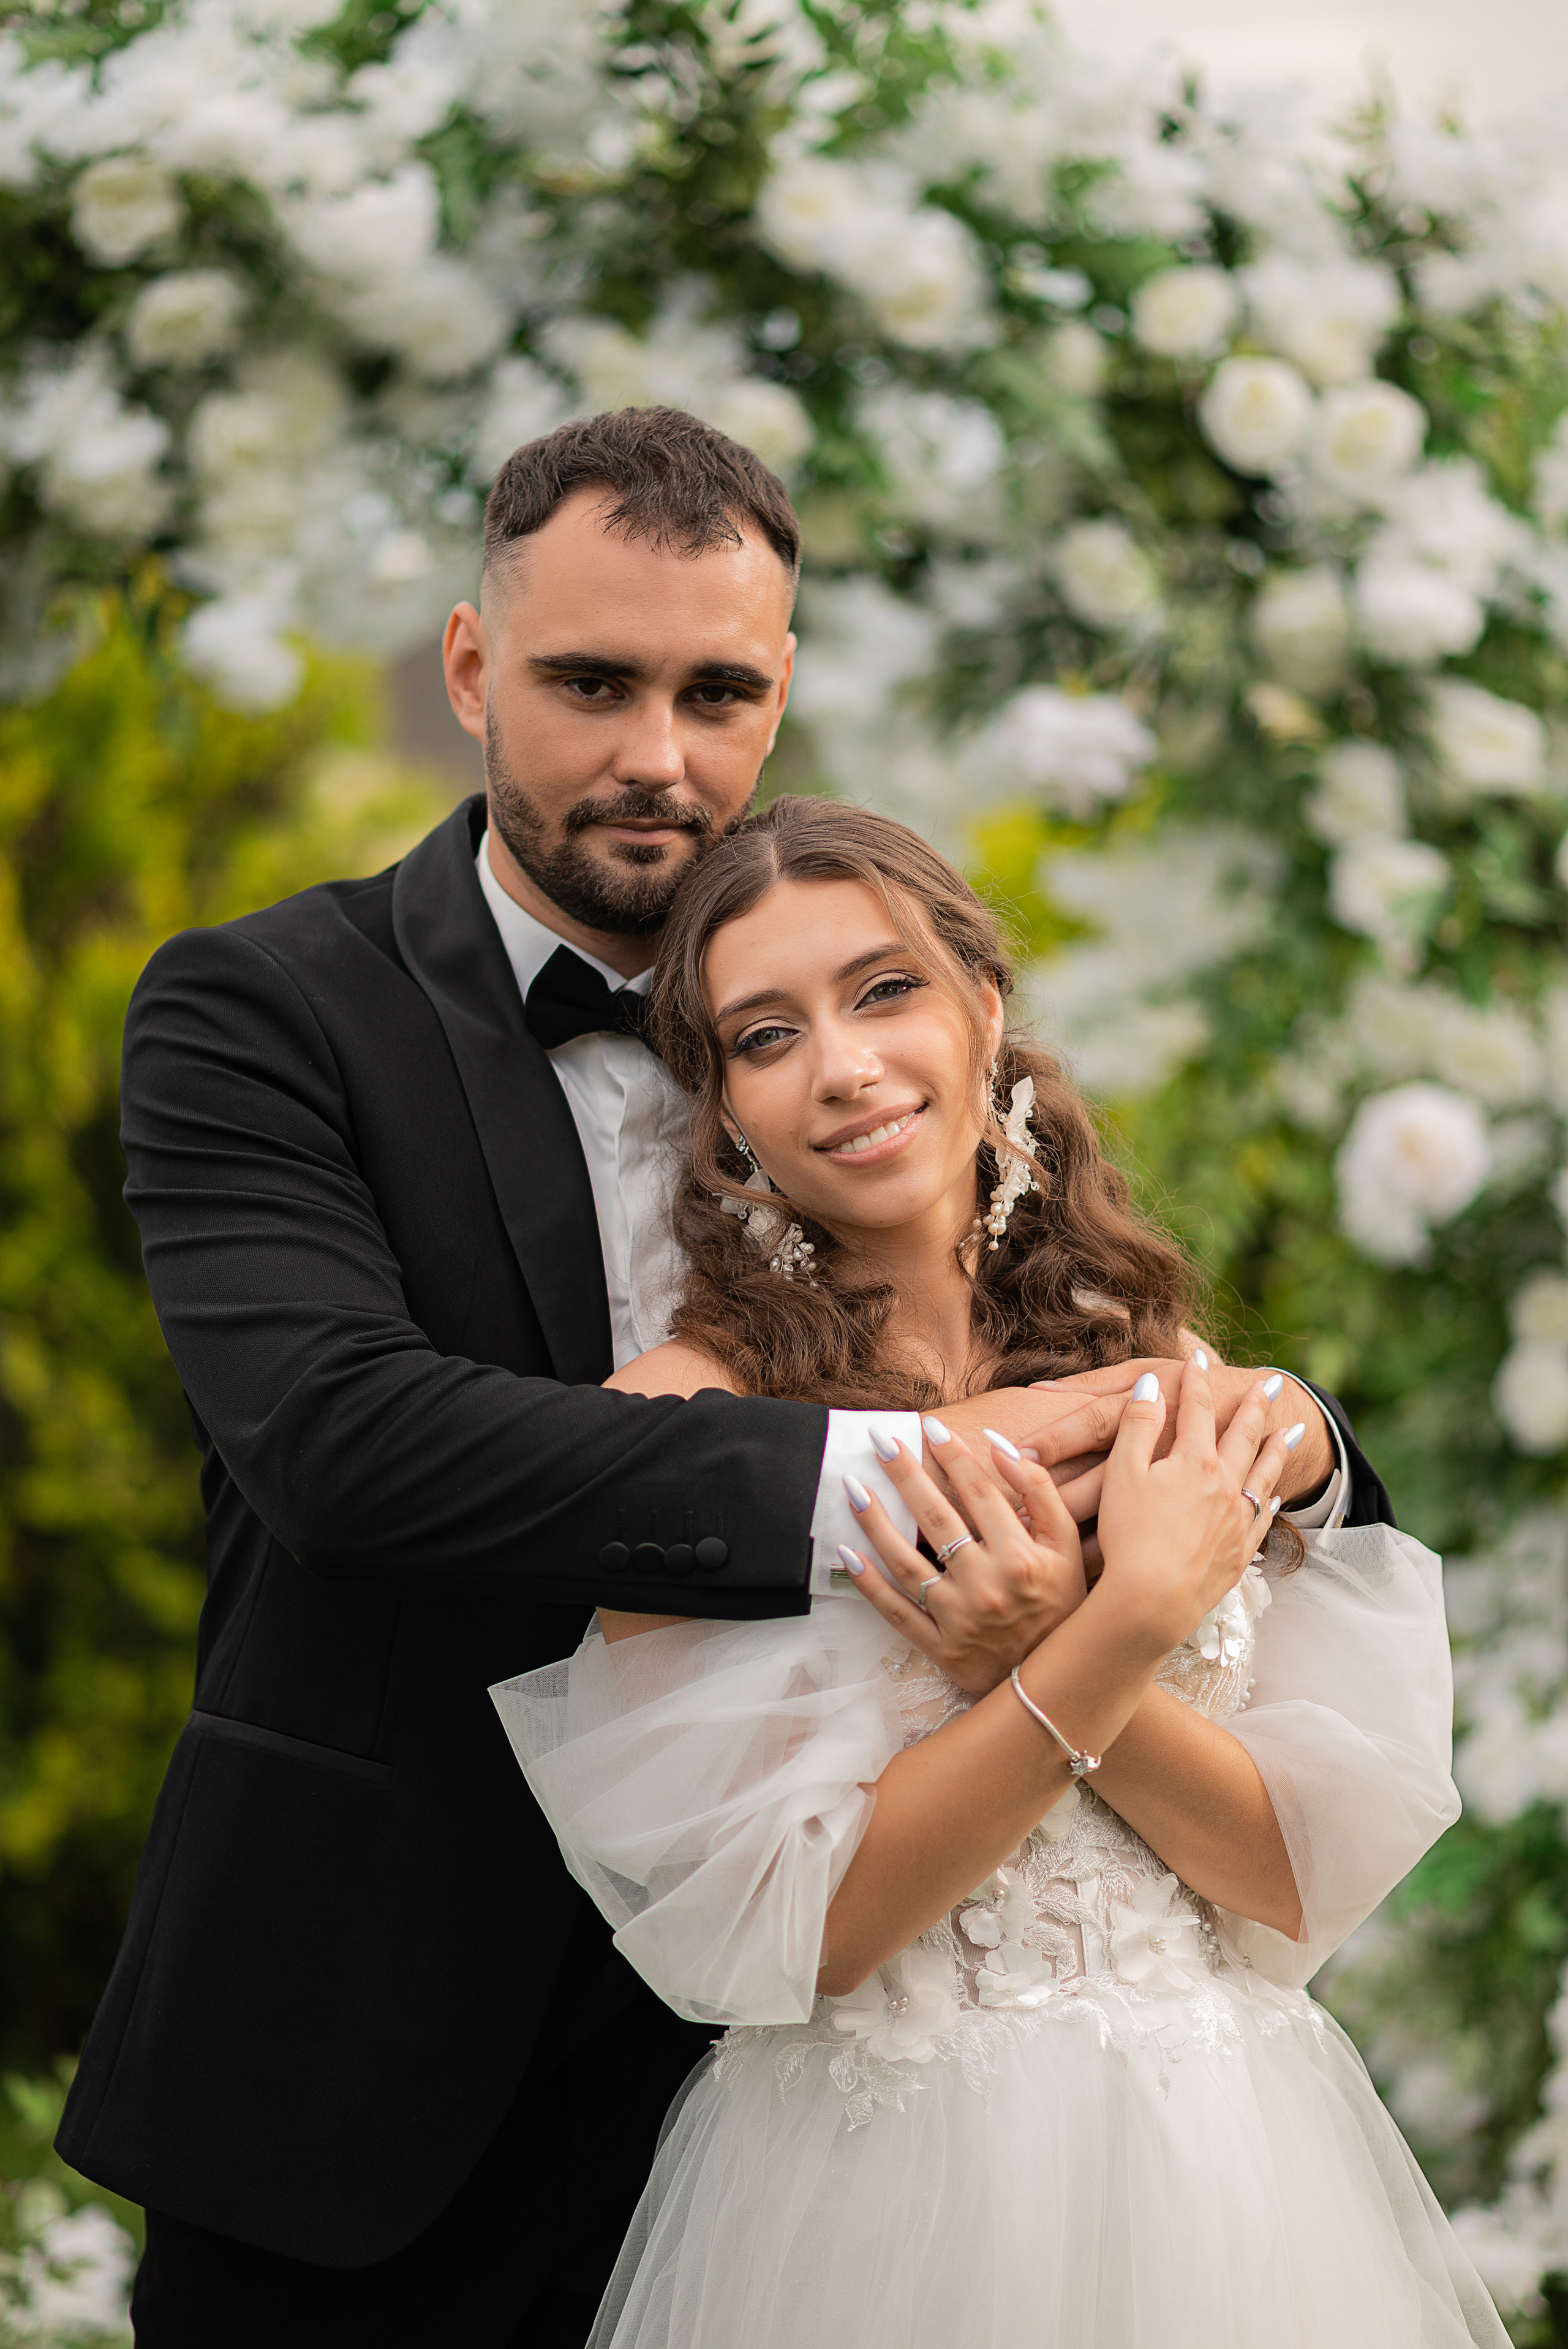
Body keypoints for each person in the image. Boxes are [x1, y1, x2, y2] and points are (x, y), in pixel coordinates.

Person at [59, 407, 1368, 2346]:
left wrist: (1298, 1439)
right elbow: (341, 1444)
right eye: (593, 682)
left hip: (831, 2105)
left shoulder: (854, 1023)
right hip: (378, 2049)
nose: (656, 756)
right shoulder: (266, 1011)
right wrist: (923, 1473)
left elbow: (1119, 1336)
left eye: (717, 691)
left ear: (779, 697)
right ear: (472, 667)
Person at [495, 795, 1506, 2349]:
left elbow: (1286, 1882)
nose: (842, 1067)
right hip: (881, 2190)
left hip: (1227, 2163)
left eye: (883, 990)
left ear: (981, 1005)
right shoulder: (683, 1435)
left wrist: (1048, 1643)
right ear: (725, 1116)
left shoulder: (1160, 1367)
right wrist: (1111, 1637)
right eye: (765, 1038)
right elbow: (801, 1941)